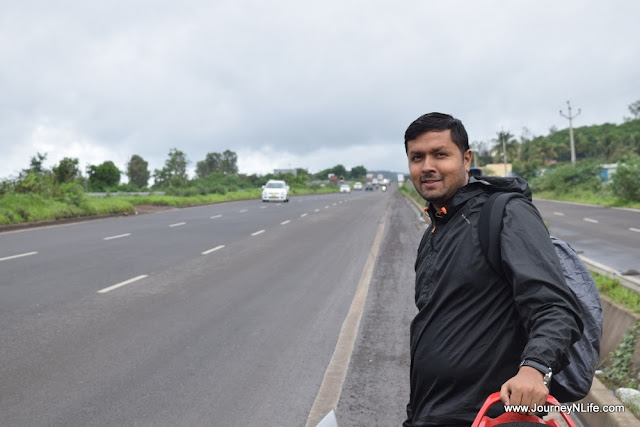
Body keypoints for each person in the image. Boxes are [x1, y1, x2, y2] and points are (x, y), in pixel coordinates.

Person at [403, 112, 583, 427]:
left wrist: (533, 369)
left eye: (440, 154)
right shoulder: (434, 232)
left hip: (491, 414)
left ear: (466, 158)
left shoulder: (504, 214)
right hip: (429, 412)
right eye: (417, 157)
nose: (427, 166)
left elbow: (555, 308)